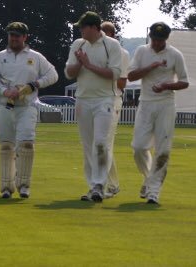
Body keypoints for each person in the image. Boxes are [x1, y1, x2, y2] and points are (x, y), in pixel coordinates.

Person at [0, 21, 58, 199]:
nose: (13, 38)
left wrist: (35, 84)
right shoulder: (0, 56)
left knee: (26, 144)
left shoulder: (35, 57)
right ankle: (6, 187)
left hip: (27, 106)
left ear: (25, 37)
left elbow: (53, 75)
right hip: (6, 105)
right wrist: (6, 91)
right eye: (11, 35)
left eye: (17, 35)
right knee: (6, 146)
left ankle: (24, 185)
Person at [127, 22, 190, 204]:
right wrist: (151, 67)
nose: (156, 43)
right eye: (154, 39)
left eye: (160, 40)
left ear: (166, 39)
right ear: (150, 37)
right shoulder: (141, 51)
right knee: (139, 147)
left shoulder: (175, 54)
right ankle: (148, 179)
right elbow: (130, 76)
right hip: (146, 103)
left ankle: (154, 191)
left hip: (166, 105)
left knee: (163, 150)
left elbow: (184, 82)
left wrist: (166, 85)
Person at [64, 11, 124, 202]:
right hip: (83, 99)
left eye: (82, 27)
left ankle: (99, 184)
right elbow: (69, 73)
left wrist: (88, 65)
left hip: (105, 99)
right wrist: (80, 64)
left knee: (100, 142)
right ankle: (93, 187)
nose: (80, 31)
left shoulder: (112, 45)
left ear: (93, 27)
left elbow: (114, 74)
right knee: (88, 144)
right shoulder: (78, 44)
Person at [100, 21, 131, 198]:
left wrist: (101, 74)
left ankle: (102, 186)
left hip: (113, 100)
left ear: (112, 35)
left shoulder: (122, 53)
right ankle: (112, 185)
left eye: (106, 34)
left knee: (104, 144)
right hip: (96, 100)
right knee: (101, 145)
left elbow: (122, 82)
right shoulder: (94, 51)